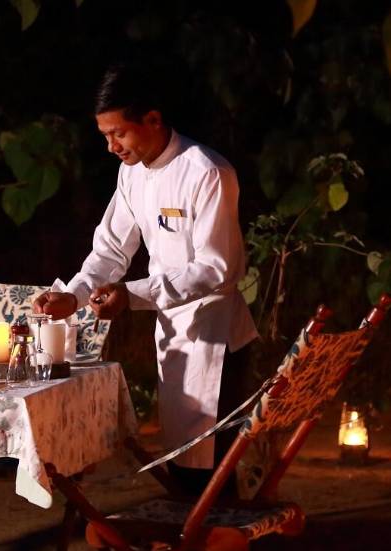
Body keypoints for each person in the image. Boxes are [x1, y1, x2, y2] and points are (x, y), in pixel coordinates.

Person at [33, 61, 258, 495]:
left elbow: (215, 269)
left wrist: (131, 295)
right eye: (105, 136)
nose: (111, 146)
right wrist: (72, 297)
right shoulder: (132, 173)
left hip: (216, 337)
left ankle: (215, 527)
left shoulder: (208, 172)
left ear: (153, 119)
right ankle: (196, 524)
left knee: (211, 467)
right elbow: (110, 250)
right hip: (172, 331)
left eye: (119, 133)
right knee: (183, 457)